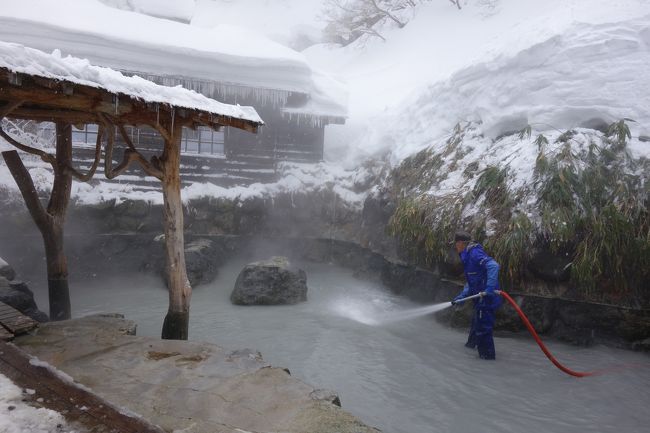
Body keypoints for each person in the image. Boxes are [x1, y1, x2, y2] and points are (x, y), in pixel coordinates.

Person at [451, 230, 502, 360]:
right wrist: (463, 295)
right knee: (476, 324)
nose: (455, 247)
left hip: (487, 298)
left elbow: (493, 266)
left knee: (483, 329)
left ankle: (487, 360)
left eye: (456, 244)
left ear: (461, 243)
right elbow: (473, 280)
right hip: (479, 297)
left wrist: (489, 288)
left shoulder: (474, 254)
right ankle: (470, 348)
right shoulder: (467, 256)